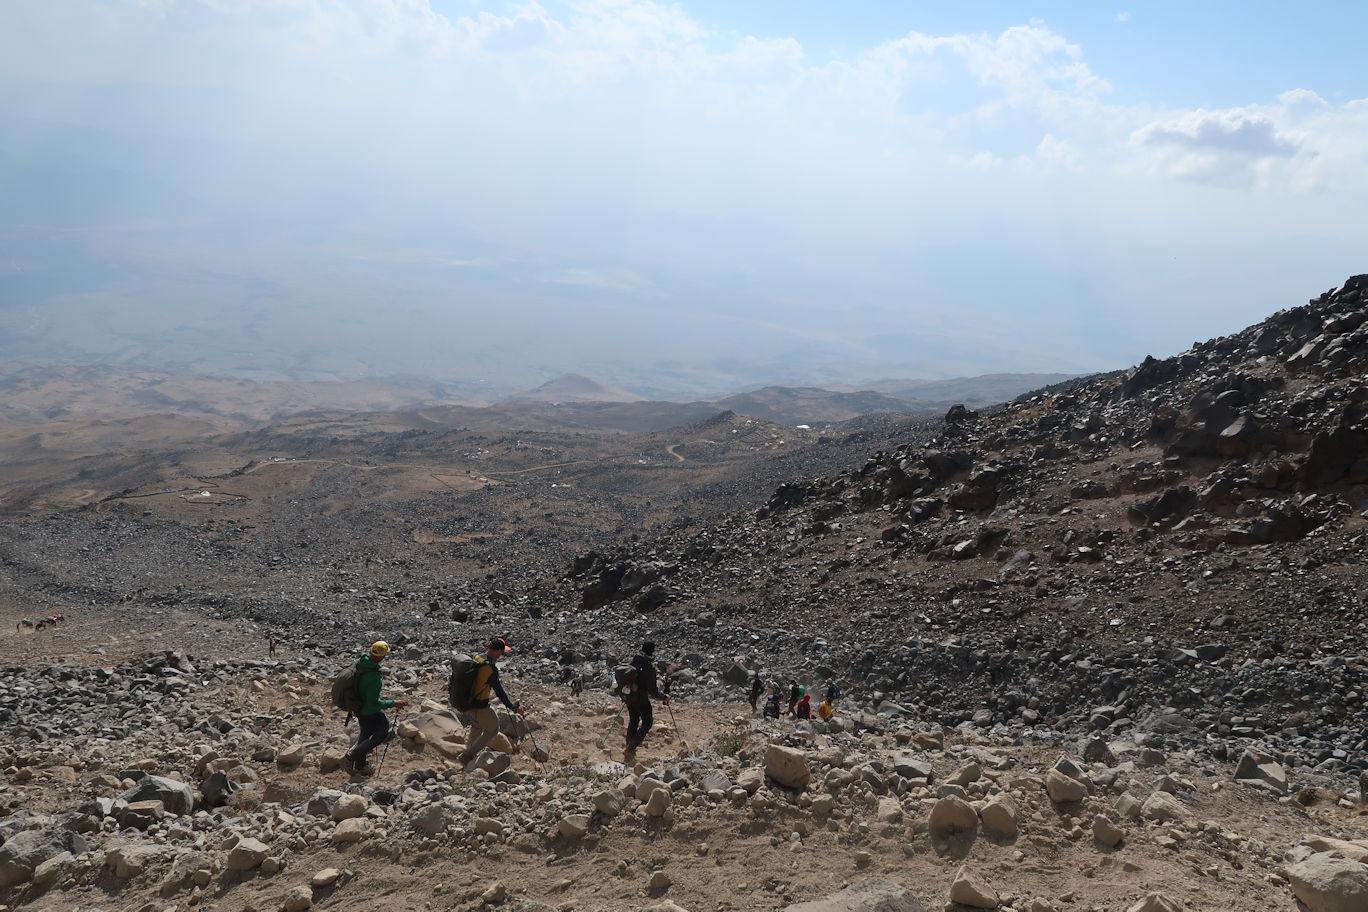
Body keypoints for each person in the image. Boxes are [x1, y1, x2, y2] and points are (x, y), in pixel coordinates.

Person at [457, 637, 524, 767]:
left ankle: (465, 752)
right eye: (502, 652)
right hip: (480, 705)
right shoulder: (490, 668)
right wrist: (512, 707)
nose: (501, 655)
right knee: (493, 729)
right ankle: (468, 755)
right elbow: (499, 691)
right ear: (498, 651)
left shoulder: (478, 658)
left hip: (466, 702)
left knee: (477, 726)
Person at [344, 641, 406, 775]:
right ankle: (353, 755)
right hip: (369, 711)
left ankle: (361, 766)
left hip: (358, 708)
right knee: (382, 731)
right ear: (382, 657)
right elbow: (373, 703)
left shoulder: (358, 662)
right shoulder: (374, 677)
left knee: (365, 732)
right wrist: (394, 703)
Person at [624, 641, 669, 761]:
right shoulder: (649, 667)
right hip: (641, 699)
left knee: (634, 720)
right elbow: (652, 691)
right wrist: (664, 697)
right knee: (647, 722)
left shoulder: (634, 661)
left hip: (628, 696)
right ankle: (630, 747)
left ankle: (628, 745)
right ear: (652, 651)